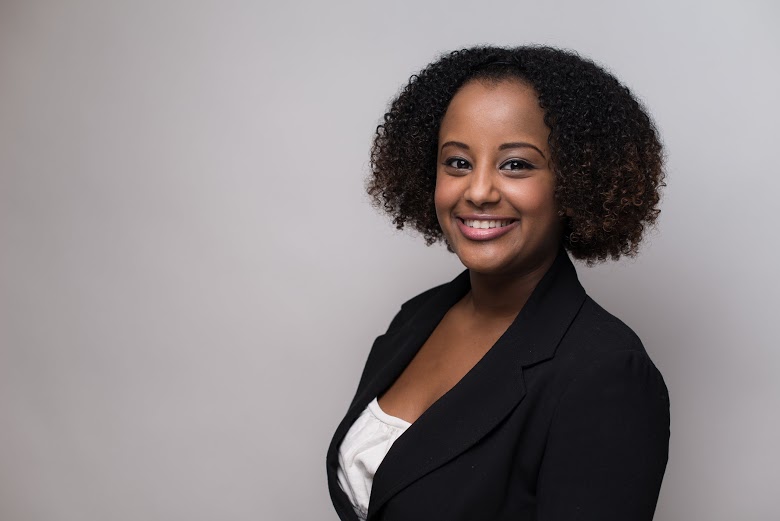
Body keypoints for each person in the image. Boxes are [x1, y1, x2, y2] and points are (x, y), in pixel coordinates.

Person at [325, 45, 670, 521]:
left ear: (575, 182)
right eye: (458, 162)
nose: (479, 191)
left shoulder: (607, 375)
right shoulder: (416, 317)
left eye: (515, 164)